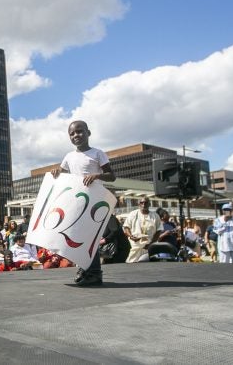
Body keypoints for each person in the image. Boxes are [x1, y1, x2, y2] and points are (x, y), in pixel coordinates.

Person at [51, 120, 115, 286]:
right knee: (78, 238)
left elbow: (112, 176)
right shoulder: (69, 157)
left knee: (89, 238)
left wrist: (97, 175)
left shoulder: (97, 153)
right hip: (77, 203)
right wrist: (57, 172)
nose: (75, 135)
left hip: (94, 201)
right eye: (72, 133)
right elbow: (62, 176)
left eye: (79, 131)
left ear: (88, 133)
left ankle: (94, 272)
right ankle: (85, 269)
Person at [122, 197, 162, 263]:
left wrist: (151, 244)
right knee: (131, 266)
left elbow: (158, 231)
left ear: (149, 204)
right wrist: (131, 236)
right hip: (135, 246)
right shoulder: (133, 214)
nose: (143, 205)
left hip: (148, 247)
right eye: (141, 203)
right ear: (139, 204)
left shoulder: (155, 216)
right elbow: (126, 227)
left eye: (146, 203)